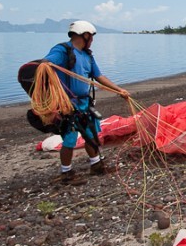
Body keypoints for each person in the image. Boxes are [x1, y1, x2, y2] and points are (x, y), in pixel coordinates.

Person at [45, 20, 130, 184]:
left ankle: (96, 165)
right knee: (69, 139)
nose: (92, 40)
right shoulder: (62, 50)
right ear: (84, 35)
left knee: (91, 135)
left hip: (84, 104)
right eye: (91, 37)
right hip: (67, 105)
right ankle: (66, 174)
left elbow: (99, 76)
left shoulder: (87, 56)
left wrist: (119, 90)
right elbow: (46, 64)